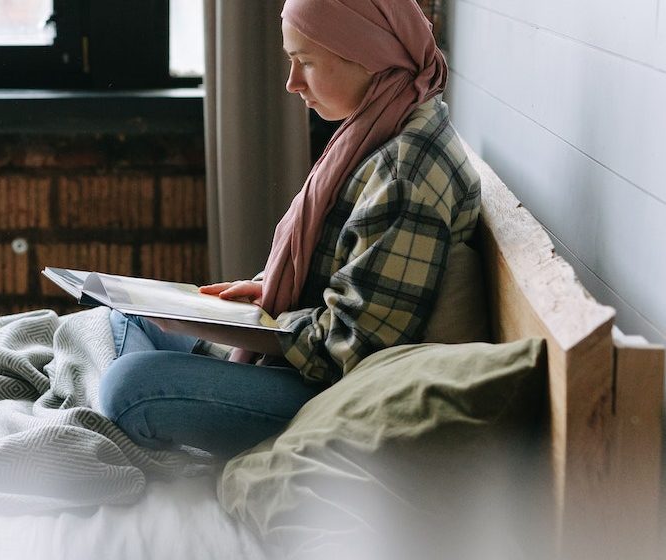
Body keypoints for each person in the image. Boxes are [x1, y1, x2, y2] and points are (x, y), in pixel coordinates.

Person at [96, 0, 481, 459]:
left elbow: (349, 352)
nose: (292, 83)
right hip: (300, 357)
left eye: (306, 64)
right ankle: (187, 389)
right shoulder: (384, 124)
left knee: (129, 386)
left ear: (370, 56)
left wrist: (262, 325)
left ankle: (175, 398)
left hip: (327, 398)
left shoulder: (404, 178)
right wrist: (264, 295)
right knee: (128, 312)